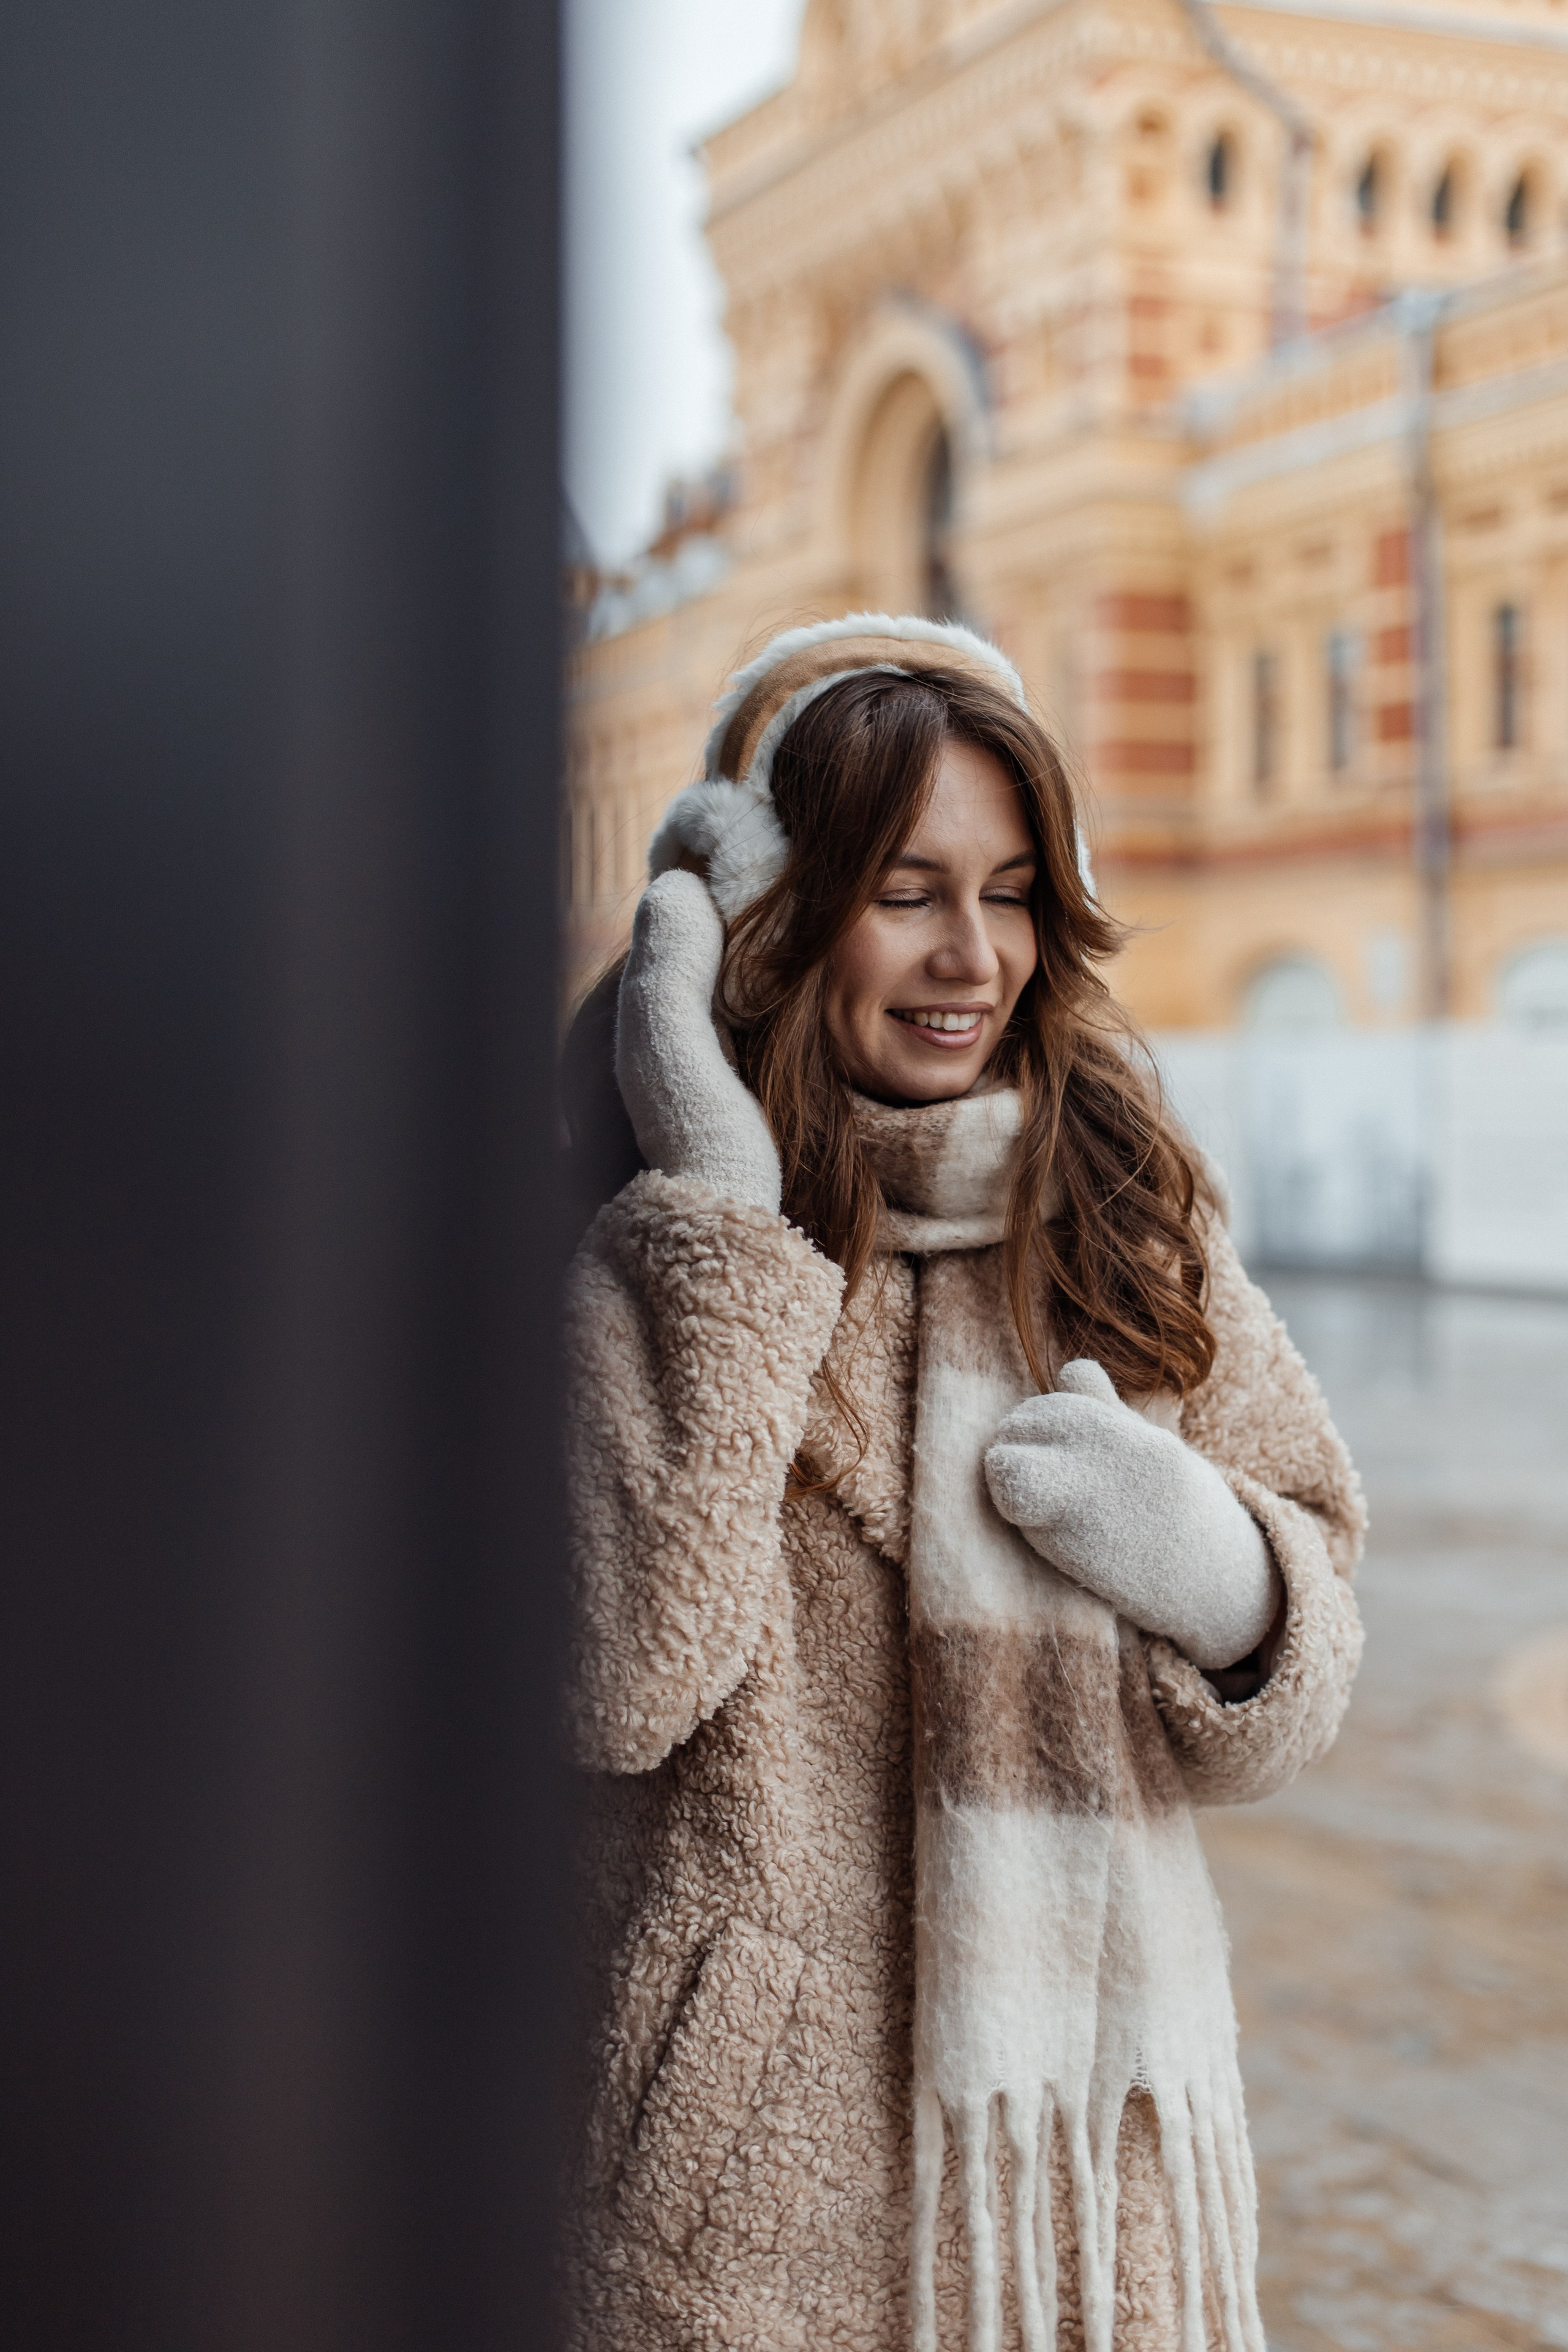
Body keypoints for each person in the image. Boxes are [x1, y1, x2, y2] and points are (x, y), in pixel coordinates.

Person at [562, 615, 1365, 2352]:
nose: (971, 956)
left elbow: (1304, 1672)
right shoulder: (647, 1249)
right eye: (905, 891)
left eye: (1010, 895)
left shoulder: (1130, 1225)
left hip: (1078, 2176)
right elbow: (619, 1680)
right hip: (753, 2191)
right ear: (769, 912)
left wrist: (1227, 1580)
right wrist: (719, 1205)